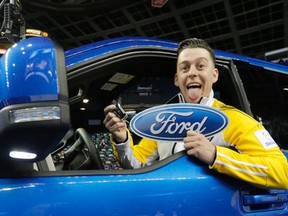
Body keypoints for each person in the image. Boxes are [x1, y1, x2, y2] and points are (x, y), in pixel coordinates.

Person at [103, 38, 288, 189]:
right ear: (177, 79)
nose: (191, 73)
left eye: (200, 66)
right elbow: (137, 165)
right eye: (185, 68)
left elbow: (283, 172)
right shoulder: (163, 123)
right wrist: (122, 140)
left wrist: (216, 155)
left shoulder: (235, 120)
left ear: (214, 75)